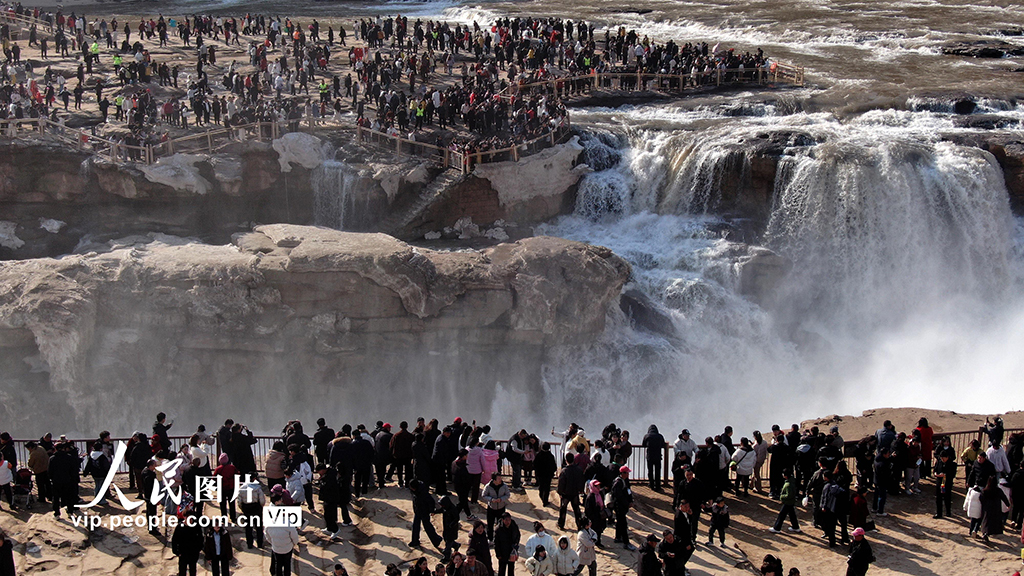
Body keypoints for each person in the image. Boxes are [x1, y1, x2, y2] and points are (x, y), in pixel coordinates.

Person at [409, 480, 443, 550]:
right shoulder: (415, 491)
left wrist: (431, 511)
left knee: (427, 526)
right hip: (418, 510)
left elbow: (431, 502)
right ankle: (415, 541)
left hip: (424, 511)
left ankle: (436, 540)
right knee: (415, 526)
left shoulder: (423, 493)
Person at [557, 454, 585, 531]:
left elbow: (561, 483)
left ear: (566, 461)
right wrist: (580, 490)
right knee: (576, 509)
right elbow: (581, 481)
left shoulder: (564, 471)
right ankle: (579, 524)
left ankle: (561, 524)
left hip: (565, 494)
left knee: (563, 509)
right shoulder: (578, 469)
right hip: (575, 493)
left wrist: (560, 492)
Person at [316, 463, 343, 540]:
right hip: (328, 497)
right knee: (327, 513)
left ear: (323, 470)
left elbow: (328, 486)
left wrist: (322, 481)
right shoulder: (329, 473)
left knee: (329, 514)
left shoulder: (330, 476)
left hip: (331, 497)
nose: (318, 473)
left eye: (319, 471)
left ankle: (335, 530)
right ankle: (329, 528)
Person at [611, 465, 635, 550]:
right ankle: (626, 542)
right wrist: (626, 503)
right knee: (623, 524)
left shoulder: (626, 481)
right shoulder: (618, 483)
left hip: (623, 506)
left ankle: (618, 537)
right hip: (619, 506)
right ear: (622, 473)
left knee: (619, 522)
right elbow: (618, 497)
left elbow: (629, 491)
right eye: (627, 473)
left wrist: (630, 501)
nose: (628, 474)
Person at [979, 477, 1010, 543]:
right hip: (996, 508)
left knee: (986, 520)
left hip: (987, 508)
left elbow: (981, 498)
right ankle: (993, 531)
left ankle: (985, 533)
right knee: (995, 521)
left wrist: (984, 505)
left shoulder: (985, 491)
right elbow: (1003, 497)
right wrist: (1008, 505)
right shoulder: (998, 490)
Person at [239, 475, 265, 549]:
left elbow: (239, 502)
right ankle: (260, 543)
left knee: (248, 527)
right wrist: (260, 507)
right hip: (256, 507)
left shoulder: (242, 488)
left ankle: (249, 544)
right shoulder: (257, 488)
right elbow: (262, 500)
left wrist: (243, 509)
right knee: (258, 526)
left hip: (247, 508)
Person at [482, 474, 510, 541]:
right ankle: (490, 539)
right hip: (491, 508)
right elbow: (484, 495)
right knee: (490, 524)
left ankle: (500, 538)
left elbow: (508, 495)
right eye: (498, 478)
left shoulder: (504, 486)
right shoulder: (488, 486)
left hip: (501, 507)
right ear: (494, 480)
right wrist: (491, 499)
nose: (500, 479)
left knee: (501, 524)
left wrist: (501, 499)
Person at [582, 480, 607, 548]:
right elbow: (588, 509)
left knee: (599, 530)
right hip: (594, 517)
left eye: (598, 485)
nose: (598, 487)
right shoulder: (590, 497)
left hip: (600, 516)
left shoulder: (600, 494)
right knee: (593, 531)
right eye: (596, 486)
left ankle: (598, 542)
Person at [933, 450, 957, 519]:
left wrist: (945, 475)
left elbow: (953, 474)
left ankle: (948, 512)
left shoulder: (952, 464)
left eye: (944, 458)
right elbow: (935, 470)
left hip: (947, 483)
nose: (942, 459)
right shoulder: (939, 462)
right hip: (939, 482)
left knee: (947, 497)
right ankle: (939, 513)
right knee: (938, 498)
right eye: (941, 458)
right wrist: (936, 474)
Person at [26, 441, 50, 505]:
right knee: (47, 483)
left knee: (40, 485)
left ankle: (42, 498)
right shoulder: (41, 448)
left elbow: (30, 463)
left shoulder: (34, 453)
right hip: (46, 468)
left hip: (39, 470)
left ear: (30, 447)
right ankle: (50, 496)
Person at [642, 425, 666, 490]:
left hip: (650, 456)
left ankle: (651, 485)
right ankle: (658, 485)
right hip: (658, 456)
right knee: (657, 471)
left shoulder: (646, 436)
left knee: (650, 471)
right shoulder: (660, 436)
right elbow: (663, 444)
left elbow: (643, 445)